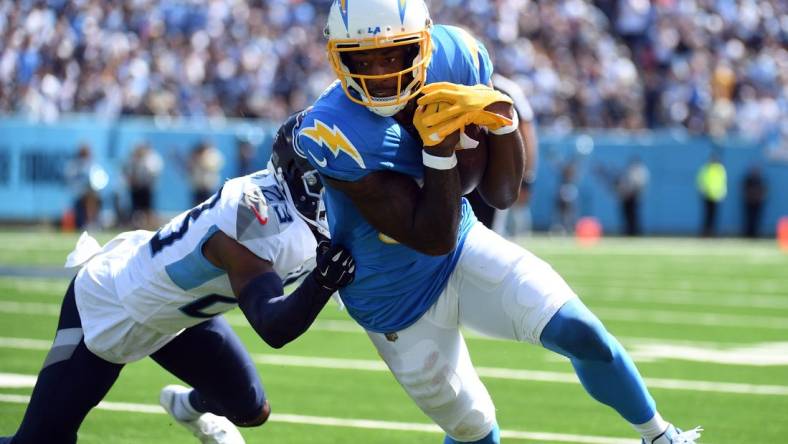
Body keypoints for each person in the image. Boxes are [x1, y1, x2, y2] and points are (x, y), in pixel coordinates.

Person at [296, 1, 702, 444]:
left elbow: (502, 193)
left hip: (462, 247)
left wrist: (502, 120)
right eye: (362, 58)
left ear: (423, 46)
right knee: (475, 431)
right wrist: (437, 151)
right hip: (392, 295)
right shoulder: (332, 129)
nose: (378, 71)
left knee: (583, 333)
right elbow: (432, 236)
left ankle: (661, 436)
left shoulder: (457, 56)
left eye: (392, 54)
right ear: (338, 57)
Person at [0, 113, 355, 444]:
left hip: (181, 317)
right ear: (303, 177)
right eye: (335, 177)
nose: (348, 185)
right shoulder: (251, 219)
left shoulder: (300, 214)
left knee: (251, 409)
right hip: (112, 305)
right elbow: (272, 325)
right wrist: (322, 282)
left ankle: (186, 408)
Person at [466, 72, 539, 237]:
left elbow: (526, 130)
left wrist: (526, 177)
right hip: (463, 167)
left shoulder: (506, 88)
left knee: (490, 231)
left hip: (493, 170)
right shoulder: (458, 80)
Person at [123, 142, 164, 229]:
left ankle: (151, 226)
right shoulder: (133, 159)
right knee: (135, 209)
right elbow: (127, 172)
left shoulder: (151, 159)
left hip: (146, 187)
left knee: (148, 208)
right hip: (135, 187)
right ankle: (137, 225)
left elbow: (153, 172)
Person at [697, 153, 727, 237]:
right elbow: (701, 181)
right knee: (707, 215)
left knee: (714, 216)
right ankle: (705, 232)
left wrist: (722, 193)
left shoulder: (720, 169)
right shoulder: (706, 168)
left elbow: (723, 182)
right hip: (707, 195)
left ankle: (712, 232)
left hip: (716, 196)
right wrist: (702, 191)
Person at [188, 141, 225, 206]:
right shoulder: (195, 158)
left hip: (209, 189)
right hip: (198, 189)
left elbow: (213, 165)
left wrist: (201, 158)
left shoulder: (211, 156)